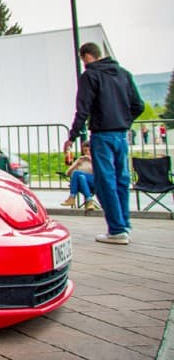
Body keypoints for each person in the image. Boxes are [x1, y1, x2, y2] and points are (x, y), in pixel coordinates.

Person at [63, 42, 144, 245]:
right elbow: (139, 105)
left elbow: (83, 109)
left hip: (101, 135)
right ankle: (124, 225)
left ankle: (116, 229)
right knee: (121, 179)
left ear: (85, 57)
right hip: (121, 134)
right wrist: (124, 120)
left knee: (105, 181)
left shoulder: (90, 76)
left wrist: (72, 136)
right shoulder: (124, 74)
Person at [60, 142, 99, 210]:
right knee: (81, 177)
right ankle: (89, 201)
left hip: (95, 182)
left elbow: (99, 172)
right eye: (85, 151)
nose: (87, 152)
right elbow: (67, 174)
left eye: (89, 150)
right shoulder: (81, 160)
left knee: (76, 173)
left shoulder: (97, 159)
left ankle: (72, 197)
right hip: (82, 185)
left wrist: (91, 160)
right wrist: (76, 164)